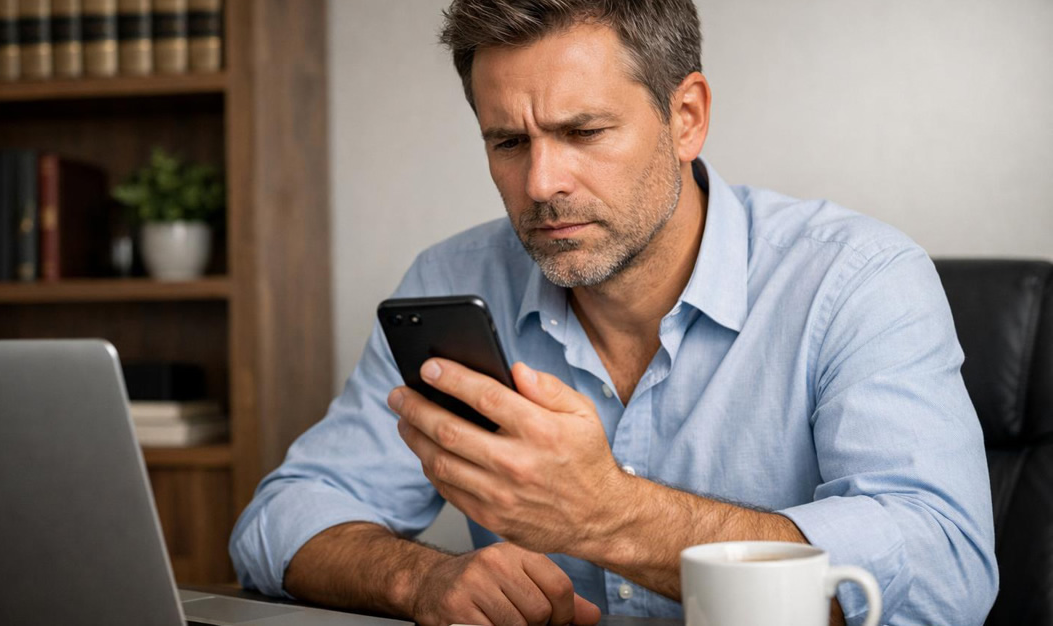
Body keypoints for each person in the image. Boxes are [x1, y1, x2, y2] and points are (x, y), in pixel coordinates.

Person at [230, 1, 998, 624]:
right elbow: (282, 520)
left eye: (583, 132)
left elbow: (946, 569)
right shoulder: (452, 278)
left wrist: (607, 514)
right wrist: (421, 581)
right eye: (507, 142)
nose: (540, 182)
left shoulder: (857, 279)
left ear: (687, 116)